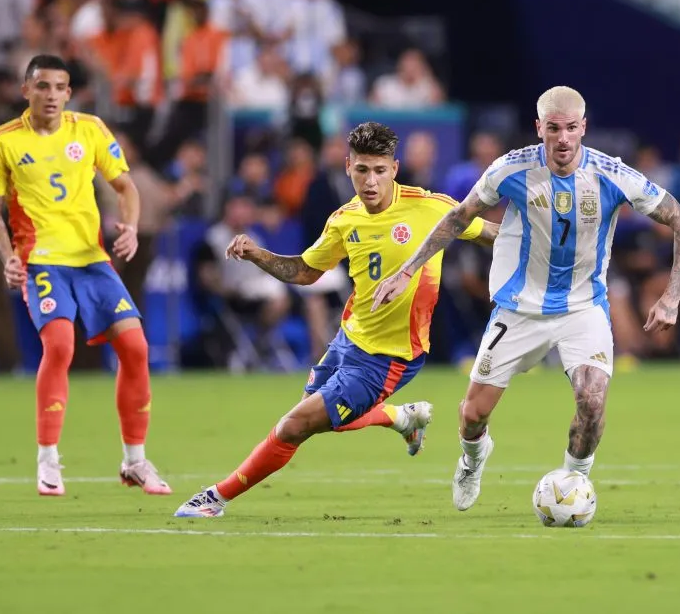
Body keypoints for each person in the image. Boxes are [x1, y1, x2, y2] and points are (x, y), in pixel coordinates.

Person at [372, 86, 680, 511]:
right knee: (472, 414)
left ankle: (574, 483)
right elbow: (458, 218)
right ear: (538, 128)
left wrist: (672, 296)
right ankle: (473, 460)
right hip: (519, 308)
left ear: (584, 127)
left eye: (570, 128)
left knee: (592, 398)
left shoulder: (613, 175)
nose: (562, 138)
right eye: (553, 128)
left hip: (583, 307)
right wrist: (406, 270)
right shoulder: (510, 169)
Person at [174, 122, 500, 518]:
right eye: (362, 170)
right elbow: (307, 272)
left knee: (295, 425)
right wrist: (258, 254)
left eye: (379, 170)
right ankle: (402, 417)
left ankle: (215, 498)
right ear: (348, 167)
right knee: (321, 417)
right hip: (348, 340)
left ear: (394, 168)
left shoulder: (429, 206)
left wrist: (546, 240)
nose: (371, 181)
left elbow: (489, 233)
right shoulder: (343, 219)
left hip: (389, 358)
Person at [0, 54, 169, 497]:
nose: (51, 95)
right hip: (41, 259)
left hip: (91, 258)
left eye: (59, 87)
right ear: (26, 90)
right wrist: (7, 255)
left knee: (136, 348)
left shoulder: (91, 129)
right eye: (41, 86)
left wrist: (131, 227)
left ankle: (135, 462)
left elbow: (126, 186)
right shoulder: (1, 141)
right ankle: (48, 459)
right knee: (60, 345)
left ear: (69, 93)